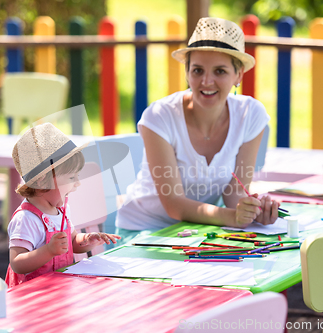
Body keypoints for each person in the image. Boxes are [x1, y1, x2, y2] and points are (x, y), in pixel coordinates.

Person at [115, 17, 280, 243]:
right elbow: (174, 204)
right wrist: (233, 217)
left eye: (220, 71)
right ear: (187, 72)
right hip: (145, 231)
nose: (207, 81)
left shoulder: (251, 114)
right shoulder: (160, 116)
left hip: (199, 232)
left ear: (238, 75)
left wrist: (254, 210)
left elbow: (234, 194)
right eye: (198, 70)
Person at [5, 123, 120, 288]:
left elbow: (72, 242)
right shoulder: (26, 218)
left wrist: (88, 240)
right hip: (31, 294)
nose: (78, 183)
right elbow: (17, 263)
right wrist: (48, 251)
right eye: (72, 178)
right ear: (42, 179)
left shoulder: (60, 210)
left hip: (57, 289)